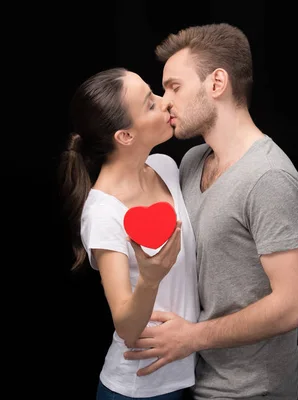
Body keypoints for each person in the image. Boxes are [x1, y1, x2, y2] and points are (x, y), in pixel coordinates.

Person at [123, 23, 298, 399]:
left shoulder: (268, 177)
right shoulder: (193, 161)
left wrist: (191, 337)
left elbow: (294, 305)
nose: (165, 101)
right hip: (191, 382)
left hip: (250, 392)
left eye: (174, 87)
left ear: (216, 84)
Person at [57, 67, 200, 399]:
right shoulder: (103, 212)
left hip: (188, 375)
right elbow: (128, 327)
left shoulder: (166, 167)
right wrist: (150, 278)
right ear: (125, 136)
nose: (166, 103)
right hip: (137, 389)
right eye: (150, 104)